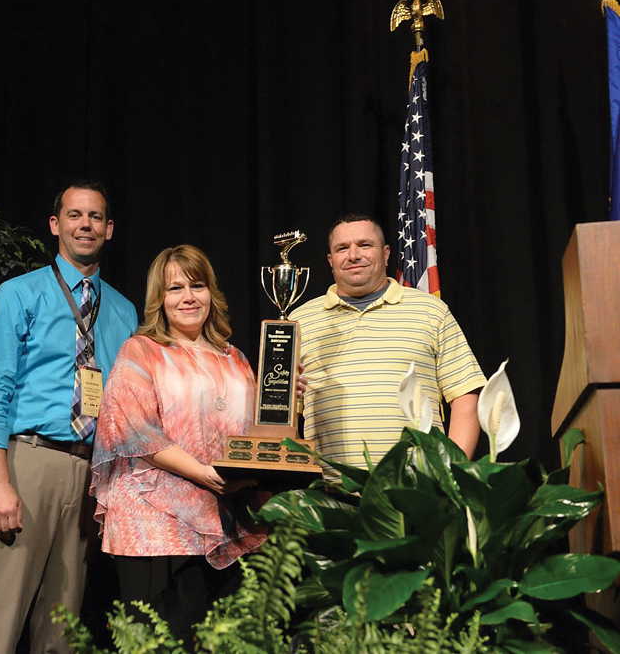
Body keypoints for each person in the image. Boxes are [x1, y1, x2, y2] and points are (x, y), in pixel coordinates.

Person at [0, 181, 138, 653]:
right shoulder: (18, 294)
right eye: (75, 215)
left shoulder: (124, 312)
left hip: (89, 473)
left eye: (96, 217)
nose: (86, 224)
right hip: (29, 462)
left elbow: (132, 406)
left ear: (110, 229)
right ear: (55, 224)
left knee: (62, 630)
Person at [91, 244, 266, 646]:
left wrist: (287, 396)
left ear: (211, 293)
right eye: (175, 289)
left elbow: (256, 430)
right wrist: (204, 474)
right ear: (160, 299)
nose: (188, 297)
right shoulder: (141, 351)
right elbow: (133, 430)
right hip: (155, 524)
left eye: (197, 285)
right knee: (163, 639)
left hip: (227, 514)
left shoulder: (235, 356)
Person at [289, 213, 486, 475]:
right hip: (331, 495)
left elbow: (465, 397)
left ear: (386, 253)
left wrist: (450, 475)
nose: (354, 255)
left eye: (365, 245)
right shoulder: (299, 321)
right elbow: (285, 417)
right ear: (330, 260)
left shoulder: (431, 311)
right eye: (342, 248)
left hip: (417, 491)